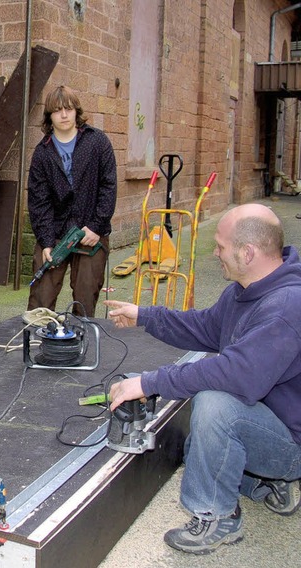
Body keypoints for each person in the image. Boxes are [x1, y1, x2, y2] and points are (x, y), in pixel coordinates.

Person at [104, 203, 301, 555]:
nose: (216, 253)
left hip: (292, 443)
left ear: (248, 252)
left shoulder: (286, 306)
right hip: (270, 421)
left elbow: (236, 374)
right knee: (201, 449)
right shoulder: (244, 290)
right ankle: (268, 483)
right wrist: (144, 315)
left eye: (221, 247)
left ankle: (216, 515)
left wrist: (148, 383)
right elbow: (204, 328)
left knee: (214, 406)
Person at [27, 85, 116, 317]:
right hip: (56, 232)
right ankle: (39, 346)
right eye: (57, 110)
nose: (64, 115)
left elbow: (108, 187)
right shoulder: (42, 153)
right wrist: (46, 242)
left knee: (85, 298)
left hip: (91, 233)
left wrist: (97, 226)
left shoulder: (97, 143)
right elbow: (39, 201)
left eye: (68, 109)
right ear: (50, 116)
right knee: (41, 298)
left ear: (77, 111)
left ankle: (80, 345)